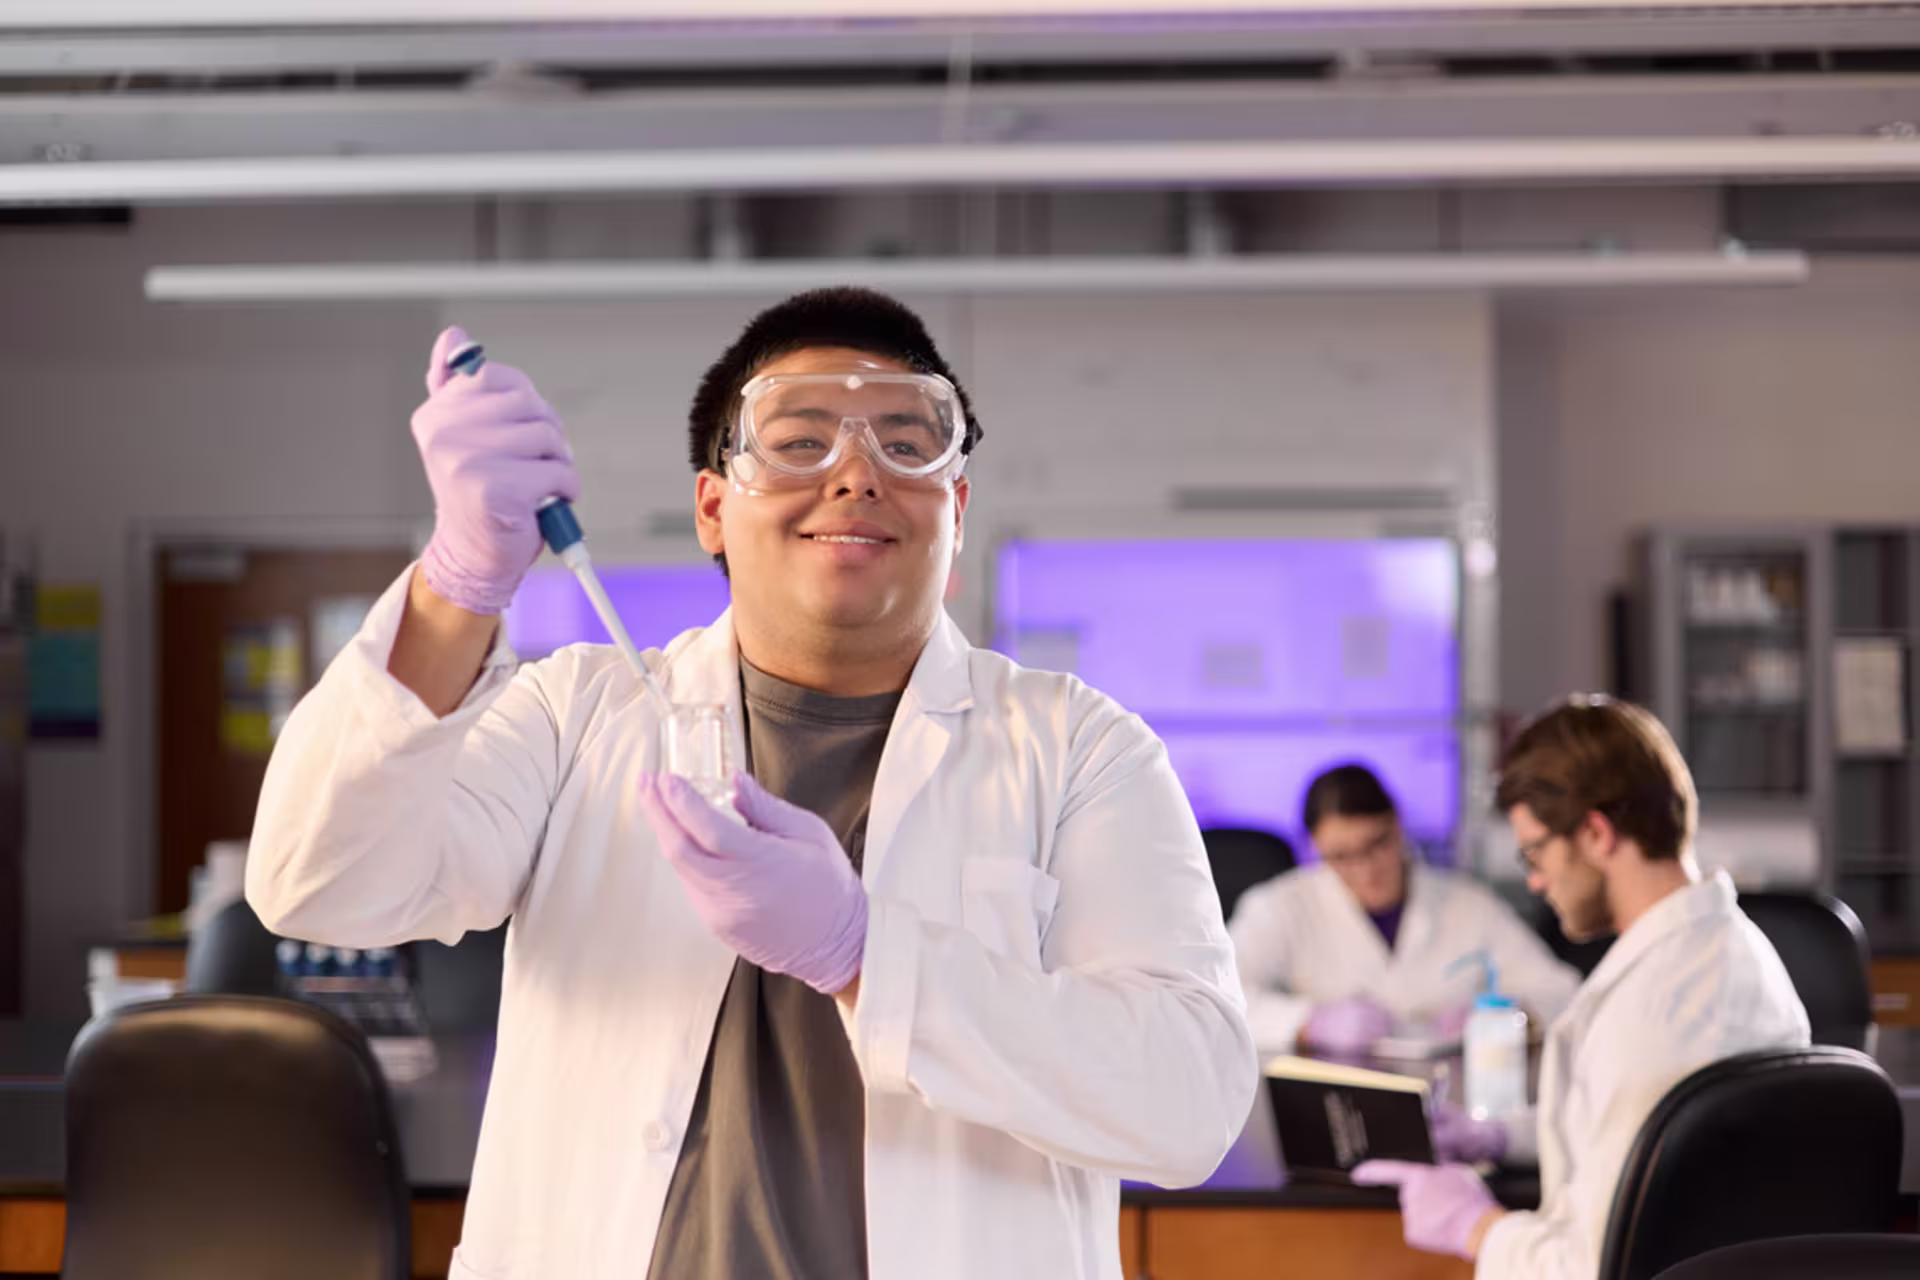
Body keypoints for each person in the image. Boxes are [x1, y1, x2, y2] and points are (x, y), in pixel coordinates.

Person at [245, 287, 1256, 1280]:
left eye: (908, 443)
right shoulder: (576, 715)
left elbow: (1188, 1103)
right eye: (799, 438)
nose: (856, 473)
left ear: (955, 512)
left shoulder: (1081, 749)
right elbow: (320, 881)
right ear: (713, 508)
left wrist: (863, 953)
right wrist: (457, 583)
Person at [1352, 696, 1810, 1279]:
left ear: (1596, 833)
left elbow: (1593, 1268)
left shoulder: (1655, 1014)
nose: (1536, 880)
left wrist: (1477, 1226)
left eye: (1535, 852)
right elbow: (1646, 1150)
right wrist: (1498, 1135)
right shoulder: (1725, 949)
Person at [1230, 762, 1580, 1057]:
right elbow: (1224, 1000)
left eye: (1376, 844)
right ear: (1313, 849)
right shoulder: (1279, 908)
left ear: (1397, 825)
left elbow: (1562, 992)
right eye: (1341, 856)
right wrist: (1307, 1022)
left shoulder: (1468, 904)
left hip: (1450, 1096)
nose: (1366, 870)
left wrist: (1509, 1015)